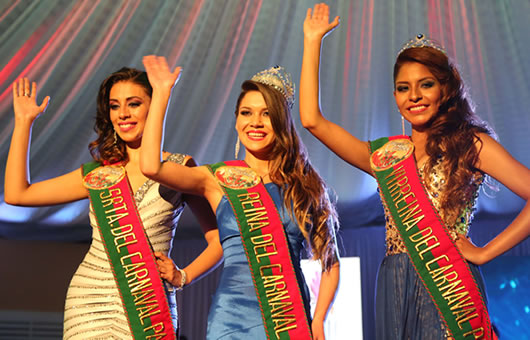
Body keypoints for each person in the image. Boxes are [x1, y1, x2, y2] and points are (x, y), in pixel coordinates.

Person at [300, 3, 530, 340]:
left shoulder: (470, 144)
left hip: (450, 283)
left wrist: (485, 252)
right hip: (395, 282)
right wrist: (312, 41)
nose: (415, 96)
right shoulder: (385, 156)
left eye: (426, 84)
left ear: (445, 90)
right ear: (395, 96)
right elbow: (312, 120)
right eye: (404, 88)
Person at [4, 68, 223, 339]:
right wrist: (24, 122)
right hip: (88, 302)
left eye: (134, 104)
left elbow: (220, 240)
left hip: (147, 305)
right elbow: (17, 194)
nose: (123, 114)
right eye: (115, 106)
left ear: (154, 107)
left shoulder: (179, 167)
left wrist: (184, 276)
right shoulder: (97, 174)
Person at [140, 55, 340, 340]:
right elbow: (151, 166)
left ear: (282, 122)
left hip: (289, 319)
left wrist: (318, 319)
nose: (255, 122)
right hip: (230, 318)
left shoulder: (306, 186)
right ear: (236, 120)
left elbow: (331, 262)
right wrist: (160, 95)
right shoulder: (216, 179)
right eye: (246, 112)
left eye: (267, 113)